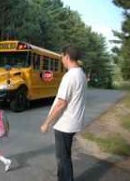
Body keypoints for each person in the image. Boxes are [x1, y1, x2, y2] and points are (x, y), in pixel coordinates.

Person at [40, 46, 87, 181]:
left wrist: (46, 124)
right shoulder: (81, 74)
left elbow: (61, 104)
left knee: (63, 159)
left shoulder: (70, 76)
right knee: (64, 156)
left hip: (65, 124)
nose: (61, 60)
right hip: (73, 122)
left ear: (67, 56)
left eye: (62, 57)